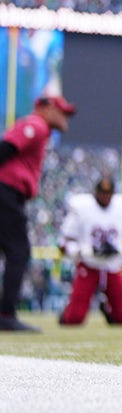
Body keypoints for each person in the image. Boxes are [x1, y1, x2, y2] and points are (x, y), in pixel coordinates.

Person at [0, 94, 75, 332]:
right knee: (18, 251)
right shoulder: (36, 125)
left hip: (8, 194)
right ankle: (5, 314)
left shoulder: (40, 128)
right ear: (47, 108)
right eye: (62, 112)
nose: (66, 118)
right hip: (6, 192)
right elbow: (6, 148)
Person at [58, 177, 122, 326]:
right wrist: (83, 250)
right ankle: (66, 313)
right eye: (102, 193)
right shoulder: (82, 208)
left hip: (113, 265)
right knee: (74, 319)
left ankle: (109, 312)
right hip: (89, 265)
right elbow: (63, 242)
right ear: (96, 193)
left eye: (108, 193)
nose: (105, 197)